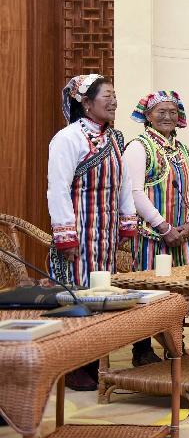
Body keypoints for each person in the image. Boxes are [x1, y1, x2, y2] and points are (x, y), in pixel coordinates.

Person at [48, 74, 137, 390]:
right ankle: (71, 364)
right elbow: (58, 189)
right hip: (80, 232)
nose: (113, 102)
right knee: (78, 292)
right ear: (86, 103)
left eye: (115, 96)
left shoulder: (115, 138)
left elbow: (124, 183)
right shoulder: (67, 138)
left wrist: (127, 222)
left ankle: (94, 360)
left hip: (106, 233)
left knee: (101, 293)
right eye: (107, 97)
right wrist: (66, 235)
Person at [123, 90, 189, 366]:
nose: (168, 116)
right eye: (161, 111)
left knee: (180, 292)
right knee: (149, 290)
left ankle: (174, 344)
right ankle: (141, 349)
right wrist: (164, 226)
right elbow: (133, 192)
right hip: (151, 236)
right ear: (148, 115)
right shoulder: (138, 147)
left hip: (181, 235)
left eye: (172, 112)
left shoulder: (182, 149)